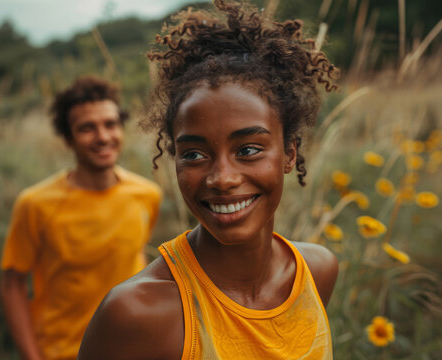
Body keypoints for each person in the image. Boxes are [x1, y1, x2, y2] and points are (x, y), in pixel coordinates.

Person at [78, 1, 339, 359]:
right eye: (194, 154)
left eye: (248, 149)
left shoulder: (316, 272)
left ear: (290, 153)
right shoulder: (138, 313)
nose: (222, 179)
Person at [0, 76, 162, 360]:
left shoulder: (147, 194)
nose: (102, 137)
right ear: (67, 139)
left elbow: (135, 260)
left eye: (110, 124)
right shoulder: (35, 204)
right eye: (87, 128)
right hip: (63, 352)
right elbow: (12, 284)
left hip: (132, 349)